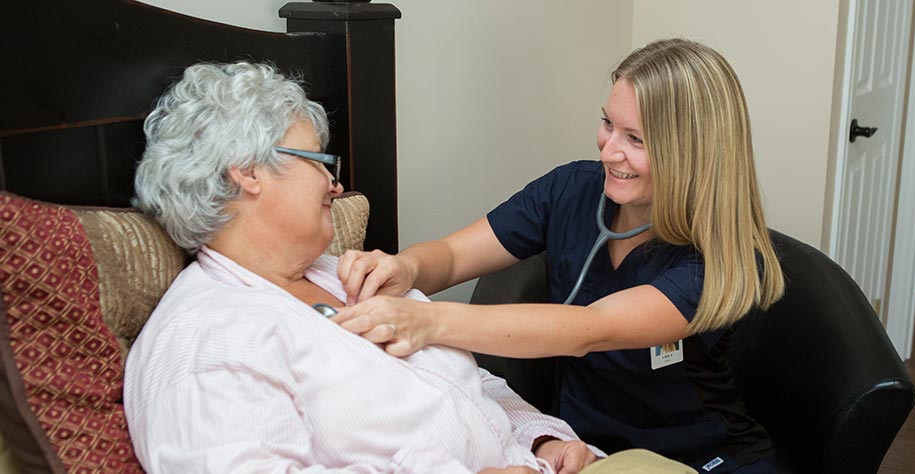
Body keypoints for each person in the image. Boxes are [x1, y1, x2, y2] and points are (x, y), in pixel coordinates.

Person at [123, 61, 602, 474]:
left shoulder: (341, 275)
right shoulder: (207, 339)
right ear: (248, 172)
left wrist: (542, 439)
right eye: (320, 161)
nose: (336, 184)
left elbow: (468, 386)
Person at [333, 39, 784, 473]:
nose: (609, 150)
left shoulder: (716, 259)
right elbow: (452, 256)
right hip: (586, 451)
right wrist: (404, 267)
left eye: (636, 139)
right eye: (608, 123)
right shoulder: (570, 191)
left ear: (693, 155)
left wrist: (426, 321)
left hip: (699, 458)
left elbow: (588, 330)